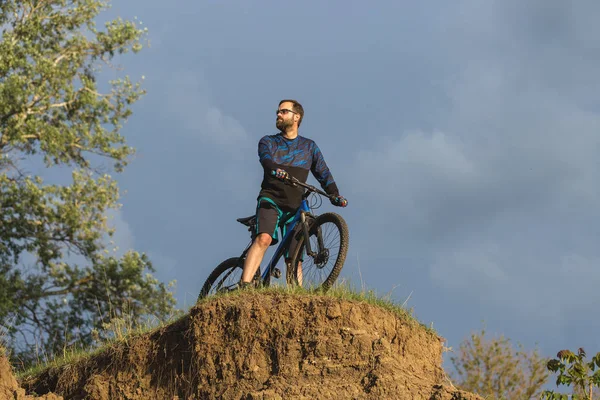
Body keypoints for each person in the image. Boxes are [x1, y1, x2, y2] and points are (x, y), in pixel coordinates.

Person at [240, 99, 347, 287]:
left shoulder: (309, 147)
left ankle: (296, 295)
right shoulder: (269, 142)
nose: (278, 115)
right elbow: (266, 160)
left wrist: (334, 194)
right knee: (264, 238)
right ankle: (245, 284)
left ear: (296, 117)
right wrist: (274, 169)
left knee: (295, 256)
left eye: (283, 111)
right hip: (271, 199)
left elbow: (323, 172)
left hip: (295, 205)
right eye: (278, 112)